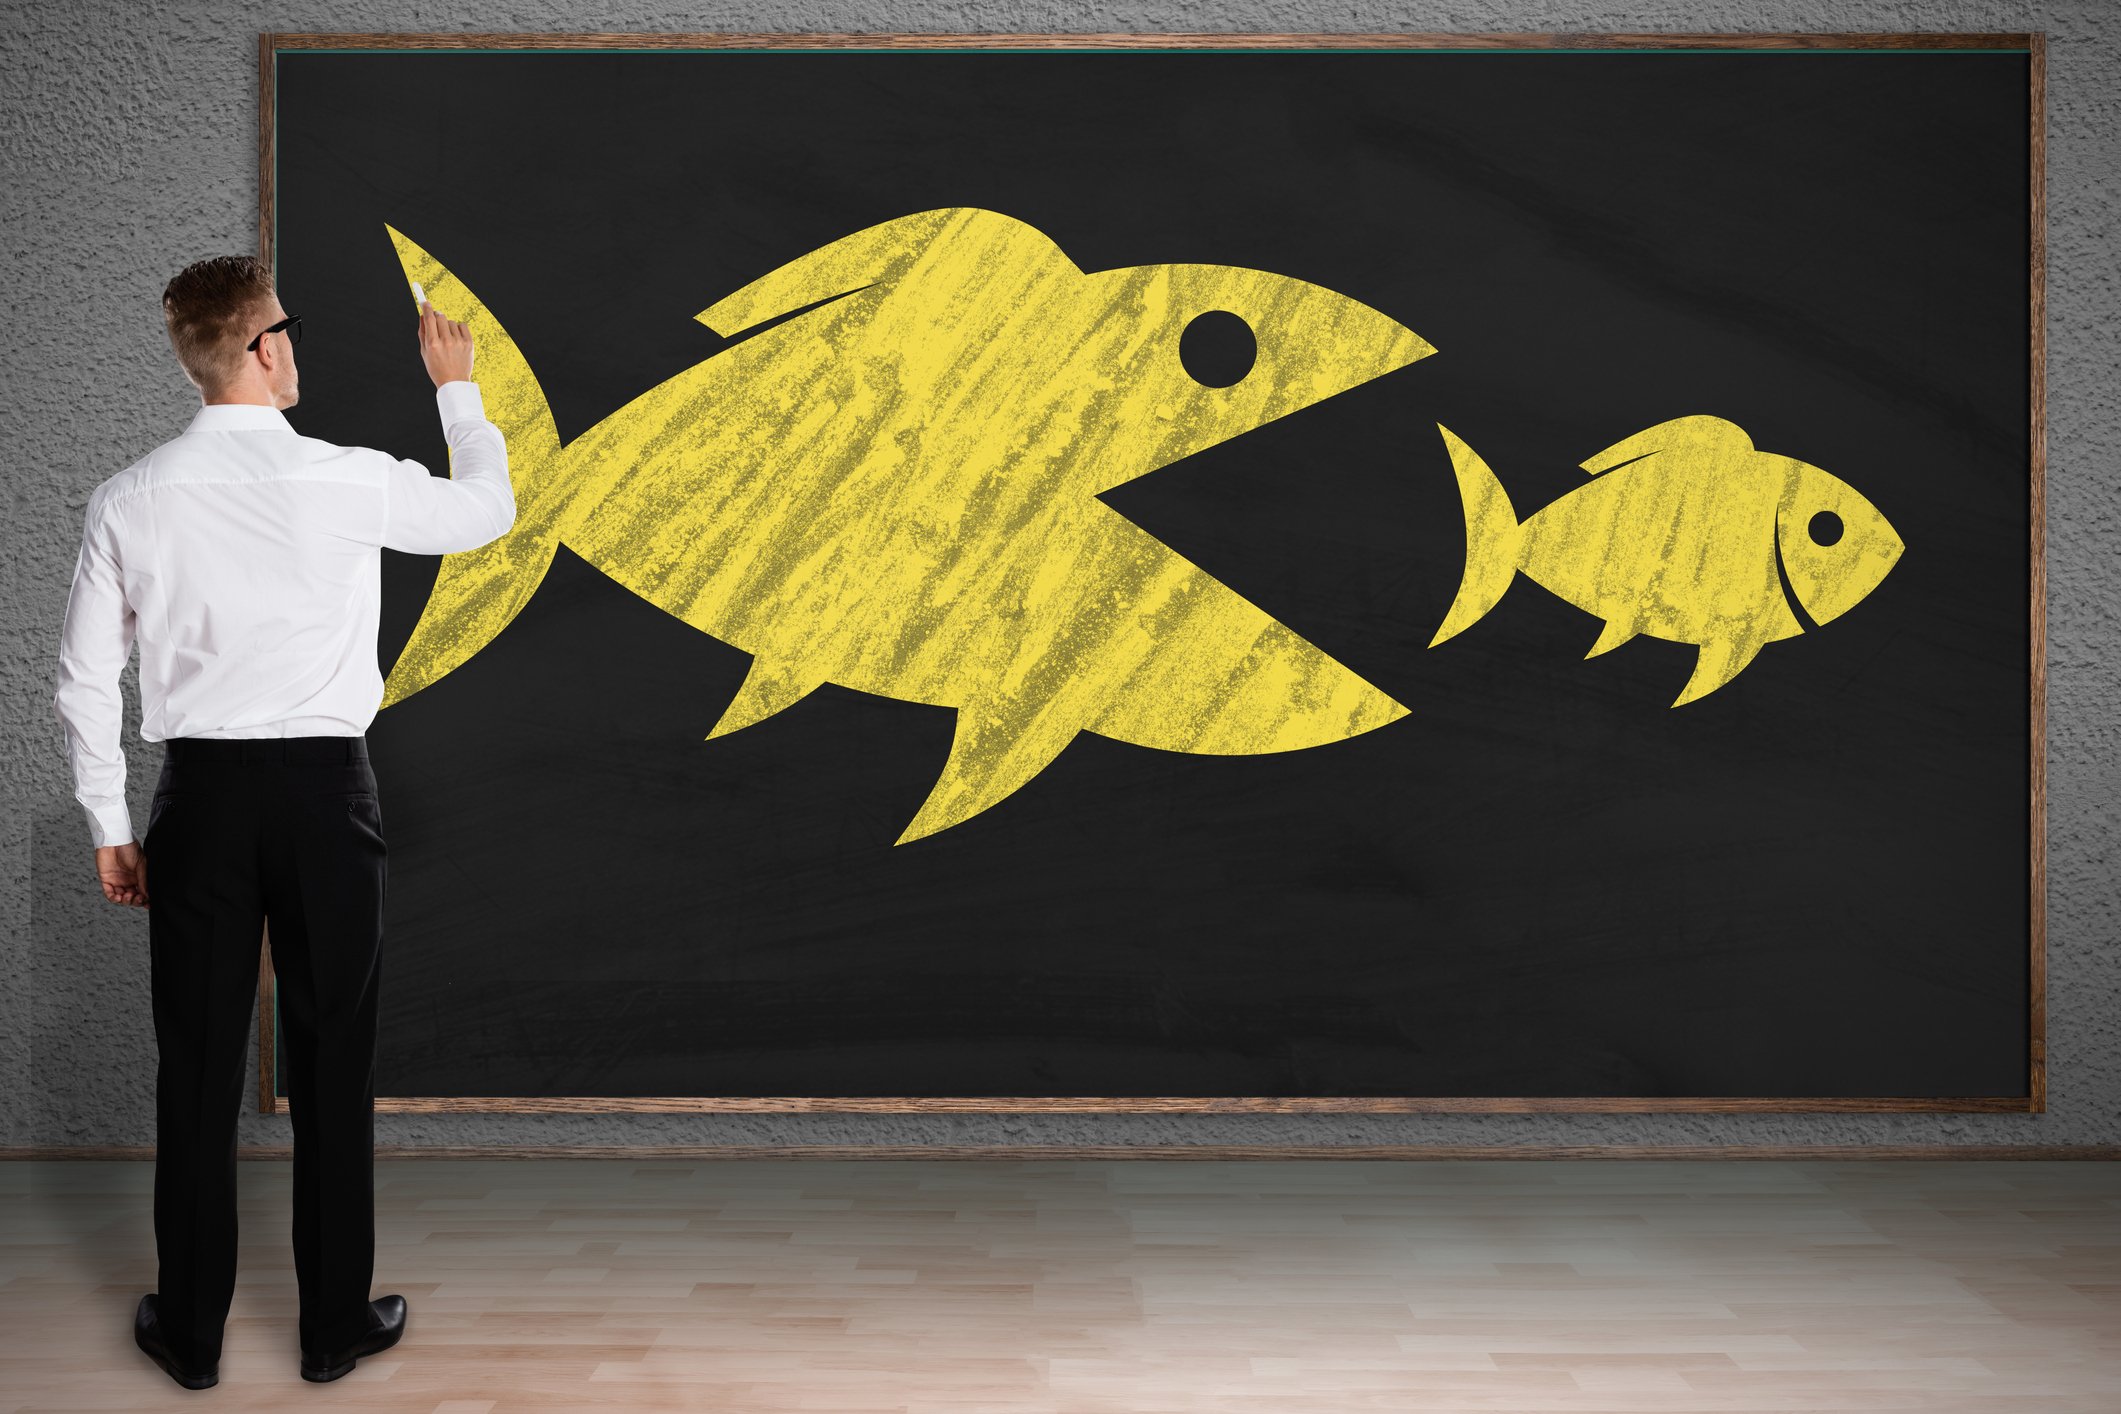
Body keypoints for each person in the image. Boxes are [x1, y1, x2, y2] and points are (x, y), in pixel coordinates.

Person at [50, 254, 514, 1389]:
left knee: (197, 1067)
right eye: (286, 330)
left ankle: (190, 1338)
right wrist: (457, 389)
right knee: (334, 1057)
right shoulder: (347, 478)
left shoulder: (127, 498)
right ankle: (333, 1328)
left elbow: (82, 680)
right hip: (325, 797)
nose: (293, 346)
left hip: (198, 801)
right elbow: (487, 513)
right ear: (263, 349)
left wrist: (111, 823)